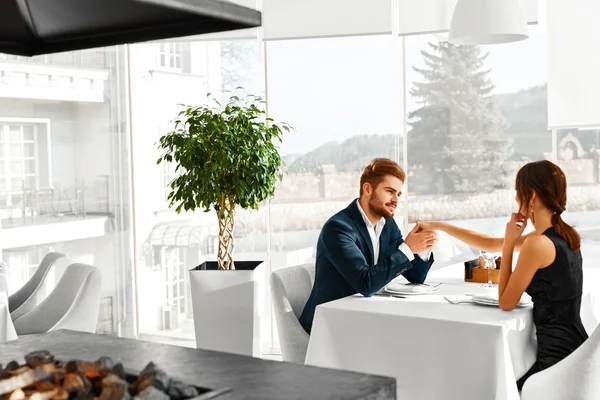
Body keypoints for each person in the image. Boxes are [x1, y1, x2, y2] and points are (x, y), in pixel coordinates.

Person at [420, 160, 588, 390]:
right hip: (578, 352)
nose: (516, 199)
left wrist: (509, 244)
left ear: (532, 196)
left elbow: (506, 301)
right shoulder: (565, 237)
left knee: (488, 387)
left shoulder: (537, 244)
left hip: (556, 363)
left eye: (518, 193)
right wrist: (442, 226)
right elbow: (489, 244)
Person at [299, 158, 437, 334]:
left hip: (364, 315)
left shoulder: (388, 225)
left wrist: (422, 247)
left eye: (399, 194)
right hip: (330, 324)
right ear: (367, 189)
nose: (396, 200)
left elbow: (416, 277)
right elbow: (366, 284)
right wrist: (408, 249)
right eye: (390, 191)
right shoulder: (339, 228)